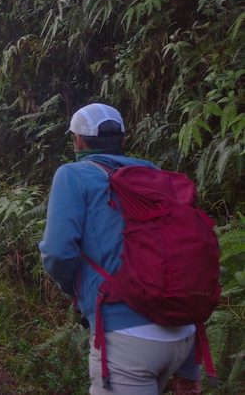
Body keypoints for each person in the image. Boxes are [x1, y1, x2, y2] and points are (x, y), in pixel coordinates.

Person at [39, 103, 202, 395]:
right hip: (182, 333)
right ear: (123, 140)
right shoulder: (152, 173)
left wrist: (74, 291)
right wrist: (189, 366)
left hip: (128, 338)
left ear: (78, 141)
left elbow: (57, 253)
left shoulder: (73, 175)